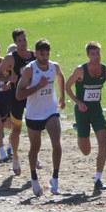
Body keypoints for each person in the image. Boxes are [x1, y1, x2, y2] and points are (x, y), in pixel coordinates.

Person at [64, 41, 106, 193]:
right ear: (88, 55)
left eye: (98, 53)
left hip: (96, 110)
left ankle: (98, 179)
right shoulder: (80, 70)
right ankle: (79, 130)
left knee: (103, 141)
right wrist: (78, 102)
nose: (96, 57)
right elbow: (67, 86)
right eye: (93, 54)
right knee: (86, 151)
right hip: (82, 111)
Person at [15, 39, 65, 197]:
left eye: (47, 54)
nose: (45, 57)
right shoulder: (30, 69)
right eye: (42, 54)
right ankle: (34, 178)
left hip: (51, 111)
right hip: (34, 113)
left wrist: (62, 97)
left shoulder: (54, 66)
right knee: (35, 147)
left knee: (57, 142)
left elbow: (61, 77)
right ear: (36, 54)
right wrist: (38, 86)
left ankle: (55, 179)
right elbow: (19, 94)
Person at [0, 29, 35, 175]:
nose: (22, 43)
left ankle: (34, 156)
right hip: (17, 97)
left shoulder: (34, 55)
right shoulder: (10, 58)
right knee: (17, 129)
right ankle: (15, 158)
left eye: (24, 39)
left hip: (32, 96)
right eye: (19, 41)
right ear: (15, 42)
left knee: (35, 128)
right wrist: (9, 79)